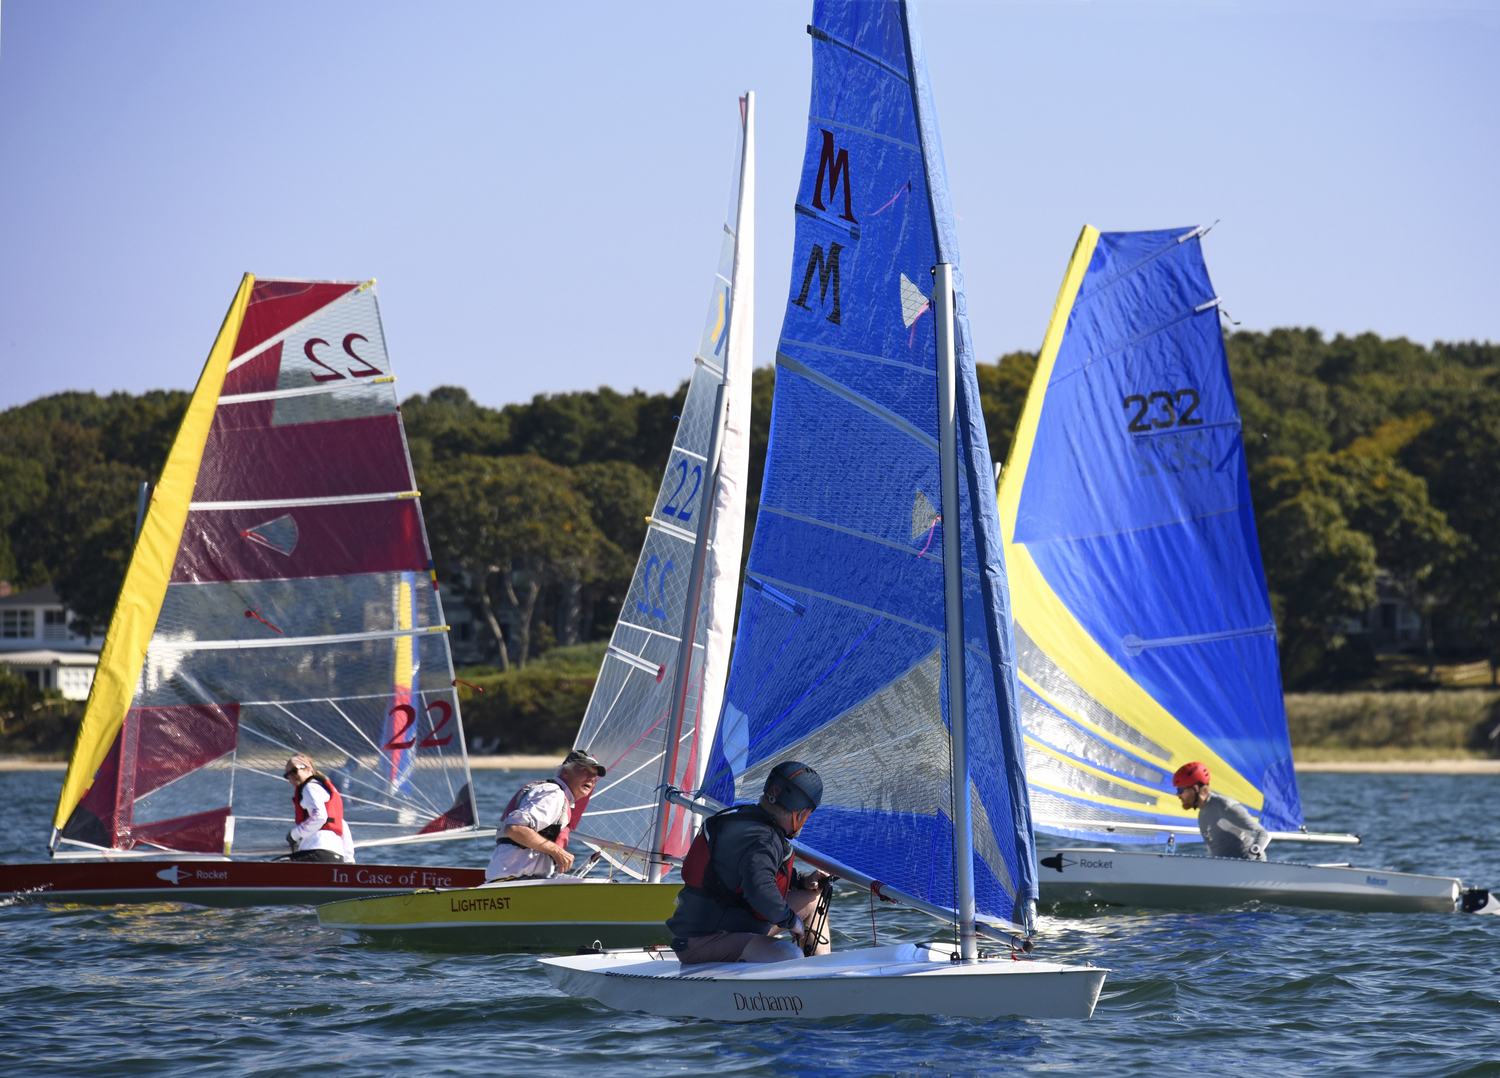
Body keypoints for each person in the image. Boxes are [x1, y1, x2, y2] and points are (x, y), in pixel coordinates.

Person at [666, 760, 834, 965]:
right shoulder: (763, 839)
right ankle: (809, 988)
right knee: (789, 954)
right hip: (705, 941)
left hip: (732, 927)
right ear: (800, 814)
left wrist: (802, 880)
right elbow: (760, 889)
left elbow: (744, 873)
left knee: (812, 901)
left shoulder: (744, 821)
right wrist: (793, 923)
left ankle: (822, 972)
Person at [484, 749, 605, 881]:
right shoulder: (553, 794)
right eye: (584, 771)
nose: (591, 778)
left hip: (521, 879)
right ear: (566, 772)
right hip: (516, 881)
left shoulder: (556, 794)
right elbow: (515, 828)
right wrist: (557, 851)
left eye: (594, 775)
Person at [1173, 761, 1270, 861]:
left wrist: (1250, 856)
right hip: (1225, 873)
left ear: (1195, 788)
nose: (1177, 795)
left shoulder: (1225, 806)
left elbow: (1262, 833)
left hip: (1250, 872)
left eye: (1180, 790)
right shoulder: (1202, 815)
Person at [285, 754, 356, 863]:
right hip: (337, 856)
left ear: (308, 769)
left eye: (294, 771)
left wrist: (294, 835)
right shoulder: (324, 789)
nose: (291, 777)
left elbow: (319, 816)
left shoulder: (309, 787)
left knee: (267, 871)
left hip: (317, 852)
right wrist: (349, 861)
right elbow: (343, 826)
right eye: (288, 775)